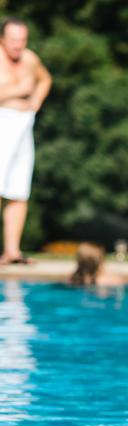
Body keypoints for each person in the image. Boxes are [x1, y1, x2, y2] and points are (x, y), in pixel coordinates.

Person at [0, 17, 51, 265]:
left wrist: (36, 101)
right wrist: (19, 90)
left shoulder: (30, 59)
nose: (18, 45)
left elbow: (45, 79)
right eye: (13, 40)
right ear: (2, 39)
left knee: (19, 190)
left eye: (22, 40)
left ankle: (12, 251)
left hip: (23, 124)